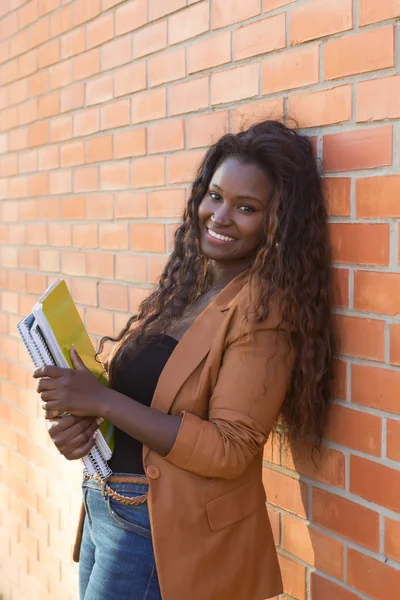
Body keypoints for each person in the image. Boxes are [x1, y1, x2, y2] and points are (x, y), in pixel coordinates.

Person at [33, 120, 334, 600]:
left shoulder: (264, 312)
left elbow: (231, 449)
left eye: (247, 207)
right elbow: (141, 401)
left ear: (277, 221)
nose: (220, 215)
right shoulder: (189, 287)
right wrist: (84, 422)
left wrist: (103, 402)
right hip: (105, 505)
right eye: (215, 196)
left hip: (161, 532)